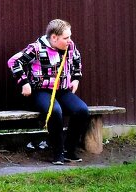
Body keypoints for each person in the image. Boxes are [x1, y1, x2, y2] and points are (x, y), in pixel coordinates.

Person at [7, 19, 88, 165]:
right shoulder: (36, 48)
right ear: (54, 37)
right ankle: (57, 153)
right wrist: (24, 82)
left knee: (82, 110)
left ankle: (69, 150)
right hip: (41, 91)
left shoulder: (70, 47)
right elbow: (14, 61)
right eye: (66, 38)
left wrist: (76, 78)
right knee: (55, 111)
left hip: (62, 90)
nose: (69, 40)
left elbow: (77, 60)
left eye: (69, 37)